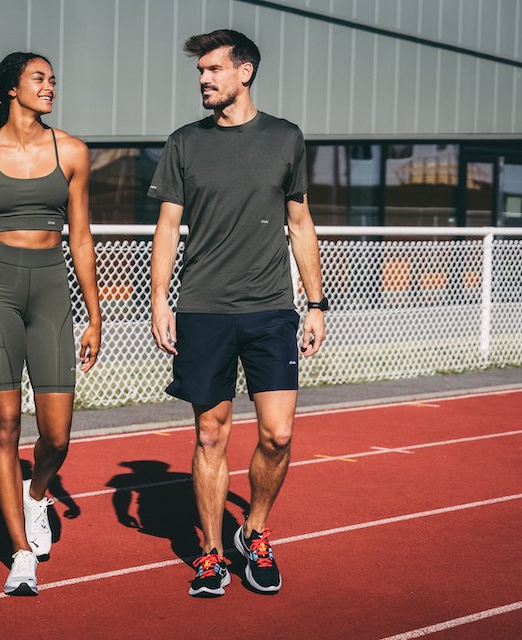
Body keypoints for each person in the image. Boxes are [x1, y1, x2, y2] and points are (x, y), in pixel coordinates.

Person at [148, 29, 327, 598]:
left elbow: (300, 223)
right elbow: (169, 227)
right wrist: (159, 300)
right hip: (204, 309)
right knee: (210, 435)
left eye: (214, 70)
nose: (203, 79)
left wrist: (316, 303)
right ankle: (209, 553)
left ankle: (253, 530)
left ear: (244, 72)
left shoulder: (285, 138)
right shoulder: (184, 143)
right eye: (200, 72)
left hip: (272, 308)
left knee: (277, 435)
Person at [0, 51, 101, 596]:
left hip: (53, 293)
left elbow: (80, 239)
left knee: (56, 435)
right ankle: (20, 553)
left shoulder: (74, 151)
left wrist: (94, 315)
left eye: (54, 79)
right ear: (12, 88)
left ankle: (38, 494)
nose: (50, 87)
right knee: (5, 425)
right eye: (39, 79)